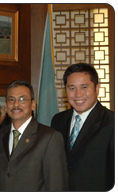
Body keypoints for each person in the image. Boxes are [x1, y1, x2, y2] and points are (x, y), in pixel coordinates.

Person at [51, 63, 114, 191]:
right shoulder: (58, 120)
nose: (78, 94)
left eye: (84, 87)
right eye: (72, 88)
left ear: (97, 88)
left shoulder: (112, 123)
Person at [0, 80, 68, 191]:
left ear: (33, 105)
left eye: (22, 99)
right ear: (6, 106)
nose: (16, 104)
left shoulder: (50, 137)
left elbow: (56, 186)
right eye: (11, 100)